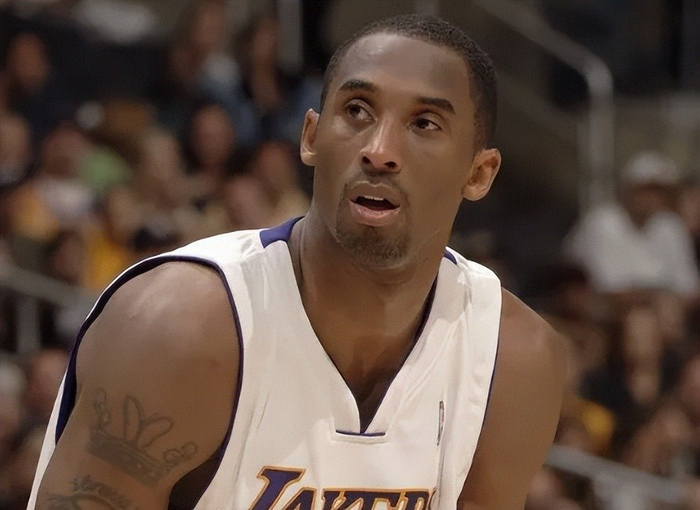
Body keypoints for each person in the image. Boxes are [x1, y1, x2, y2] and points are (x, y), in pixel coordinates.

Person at [29, 15, 565, 509]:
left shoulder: (511, 361)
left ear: (479, 174)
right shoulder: (182, 328)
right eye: (357, 111)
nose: (379, 150)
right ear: (310, 136)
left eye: (424, 123)